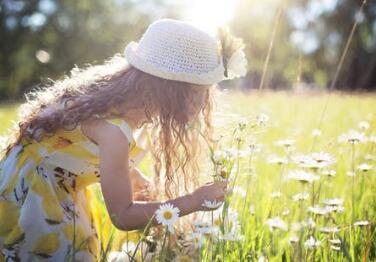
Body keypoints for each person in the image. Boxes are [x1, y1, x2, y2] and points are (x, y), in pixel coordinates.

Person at [0, 18, 247, 261]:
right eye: (200, 92)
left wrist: (133, 176)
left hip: (30, 183)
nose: (205, 104)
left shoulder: (108, 99)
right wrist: (192, 201)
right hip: (36, 203)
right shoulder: (113, 133)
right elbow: (123, 217)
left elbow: (70, 149)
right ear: (172, 90)